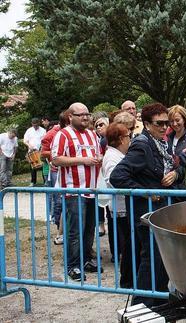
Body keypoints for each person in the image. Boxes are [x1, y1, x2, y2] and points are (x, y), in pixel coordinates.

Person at [110, 103, 185, 306]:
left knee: (161, 260)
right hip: (146, 213)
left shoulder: (161, 142)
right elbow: (117, 176)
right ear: (146, 124)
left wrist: (175, 173)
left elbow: (170, 167)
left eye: (166, 123)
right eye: (159, 123)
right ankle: (140, 306)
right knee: (151, 260)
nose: (164, 127)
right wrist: (145, 192)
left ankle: (158, 303)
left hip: (161, 212)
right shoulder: (142, 145)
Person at [51, 103, 103, 281]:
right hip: (74, 190)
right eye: (80, 115)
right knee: (75, 230)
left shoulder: (91, 134)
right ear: (70, 116)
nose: (85, 117)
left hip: (92, 189)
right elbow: (56, 159)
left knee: (89, 228)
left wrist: (99, 159)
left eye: (87, 114)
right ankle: (73, 265)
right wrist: (84, 160)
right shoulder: (63, 134)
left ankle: (87, 259)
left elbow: (98, 155)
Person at [99, 122, 131, 286]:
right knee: (127, 245)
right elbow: (113, 180)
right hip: (121, 207)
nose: (130, 139)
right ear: (120, 139)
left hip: (124, 205)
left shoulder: (116, 154)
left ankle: (128, 278)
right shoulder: (112, 156)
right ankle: (126, 280)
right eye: (127, 136)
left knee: (128, 244)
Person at [41, 111, 70, 245]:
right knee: (59, 201)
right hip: (55, 170)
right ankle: (60, 231)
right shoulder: (52, 134)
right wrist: (58, 156)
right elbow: (43, 153)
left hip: (71, 171)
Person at [23, 117, 46, 186]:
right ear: (32, 124)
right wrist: (29, 145)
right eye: (34, 125)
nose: (35, 126)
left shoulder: (43, 130)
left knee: (43, 166)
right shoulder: (29, 130)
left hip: (40, 151)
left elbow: (45, 141)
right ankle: (33, 182)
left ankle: (45, 181)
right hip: (31, 151)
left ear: (39, 123)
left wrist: (41, 148)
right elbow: (25, 141)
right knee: (33, 167)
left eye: (36, 125)